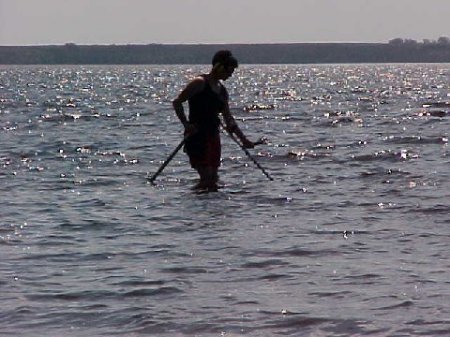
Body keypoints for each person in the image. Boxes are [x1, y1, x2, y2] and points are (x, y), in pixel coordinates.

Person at [172, 50, 255, 191]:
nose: (230, 74)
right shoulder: (199, 83)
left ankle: (209, 207)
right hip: (197, 137)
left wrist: (244, 140)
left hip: (213, 137)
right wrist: (186, 124)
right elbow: (177, 102)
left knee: (213, 180)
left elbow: (228, 119)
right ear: (219, 67)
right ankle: (193, 203)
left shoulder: (222, 91)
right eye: (229, 70)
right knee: (206, 180)